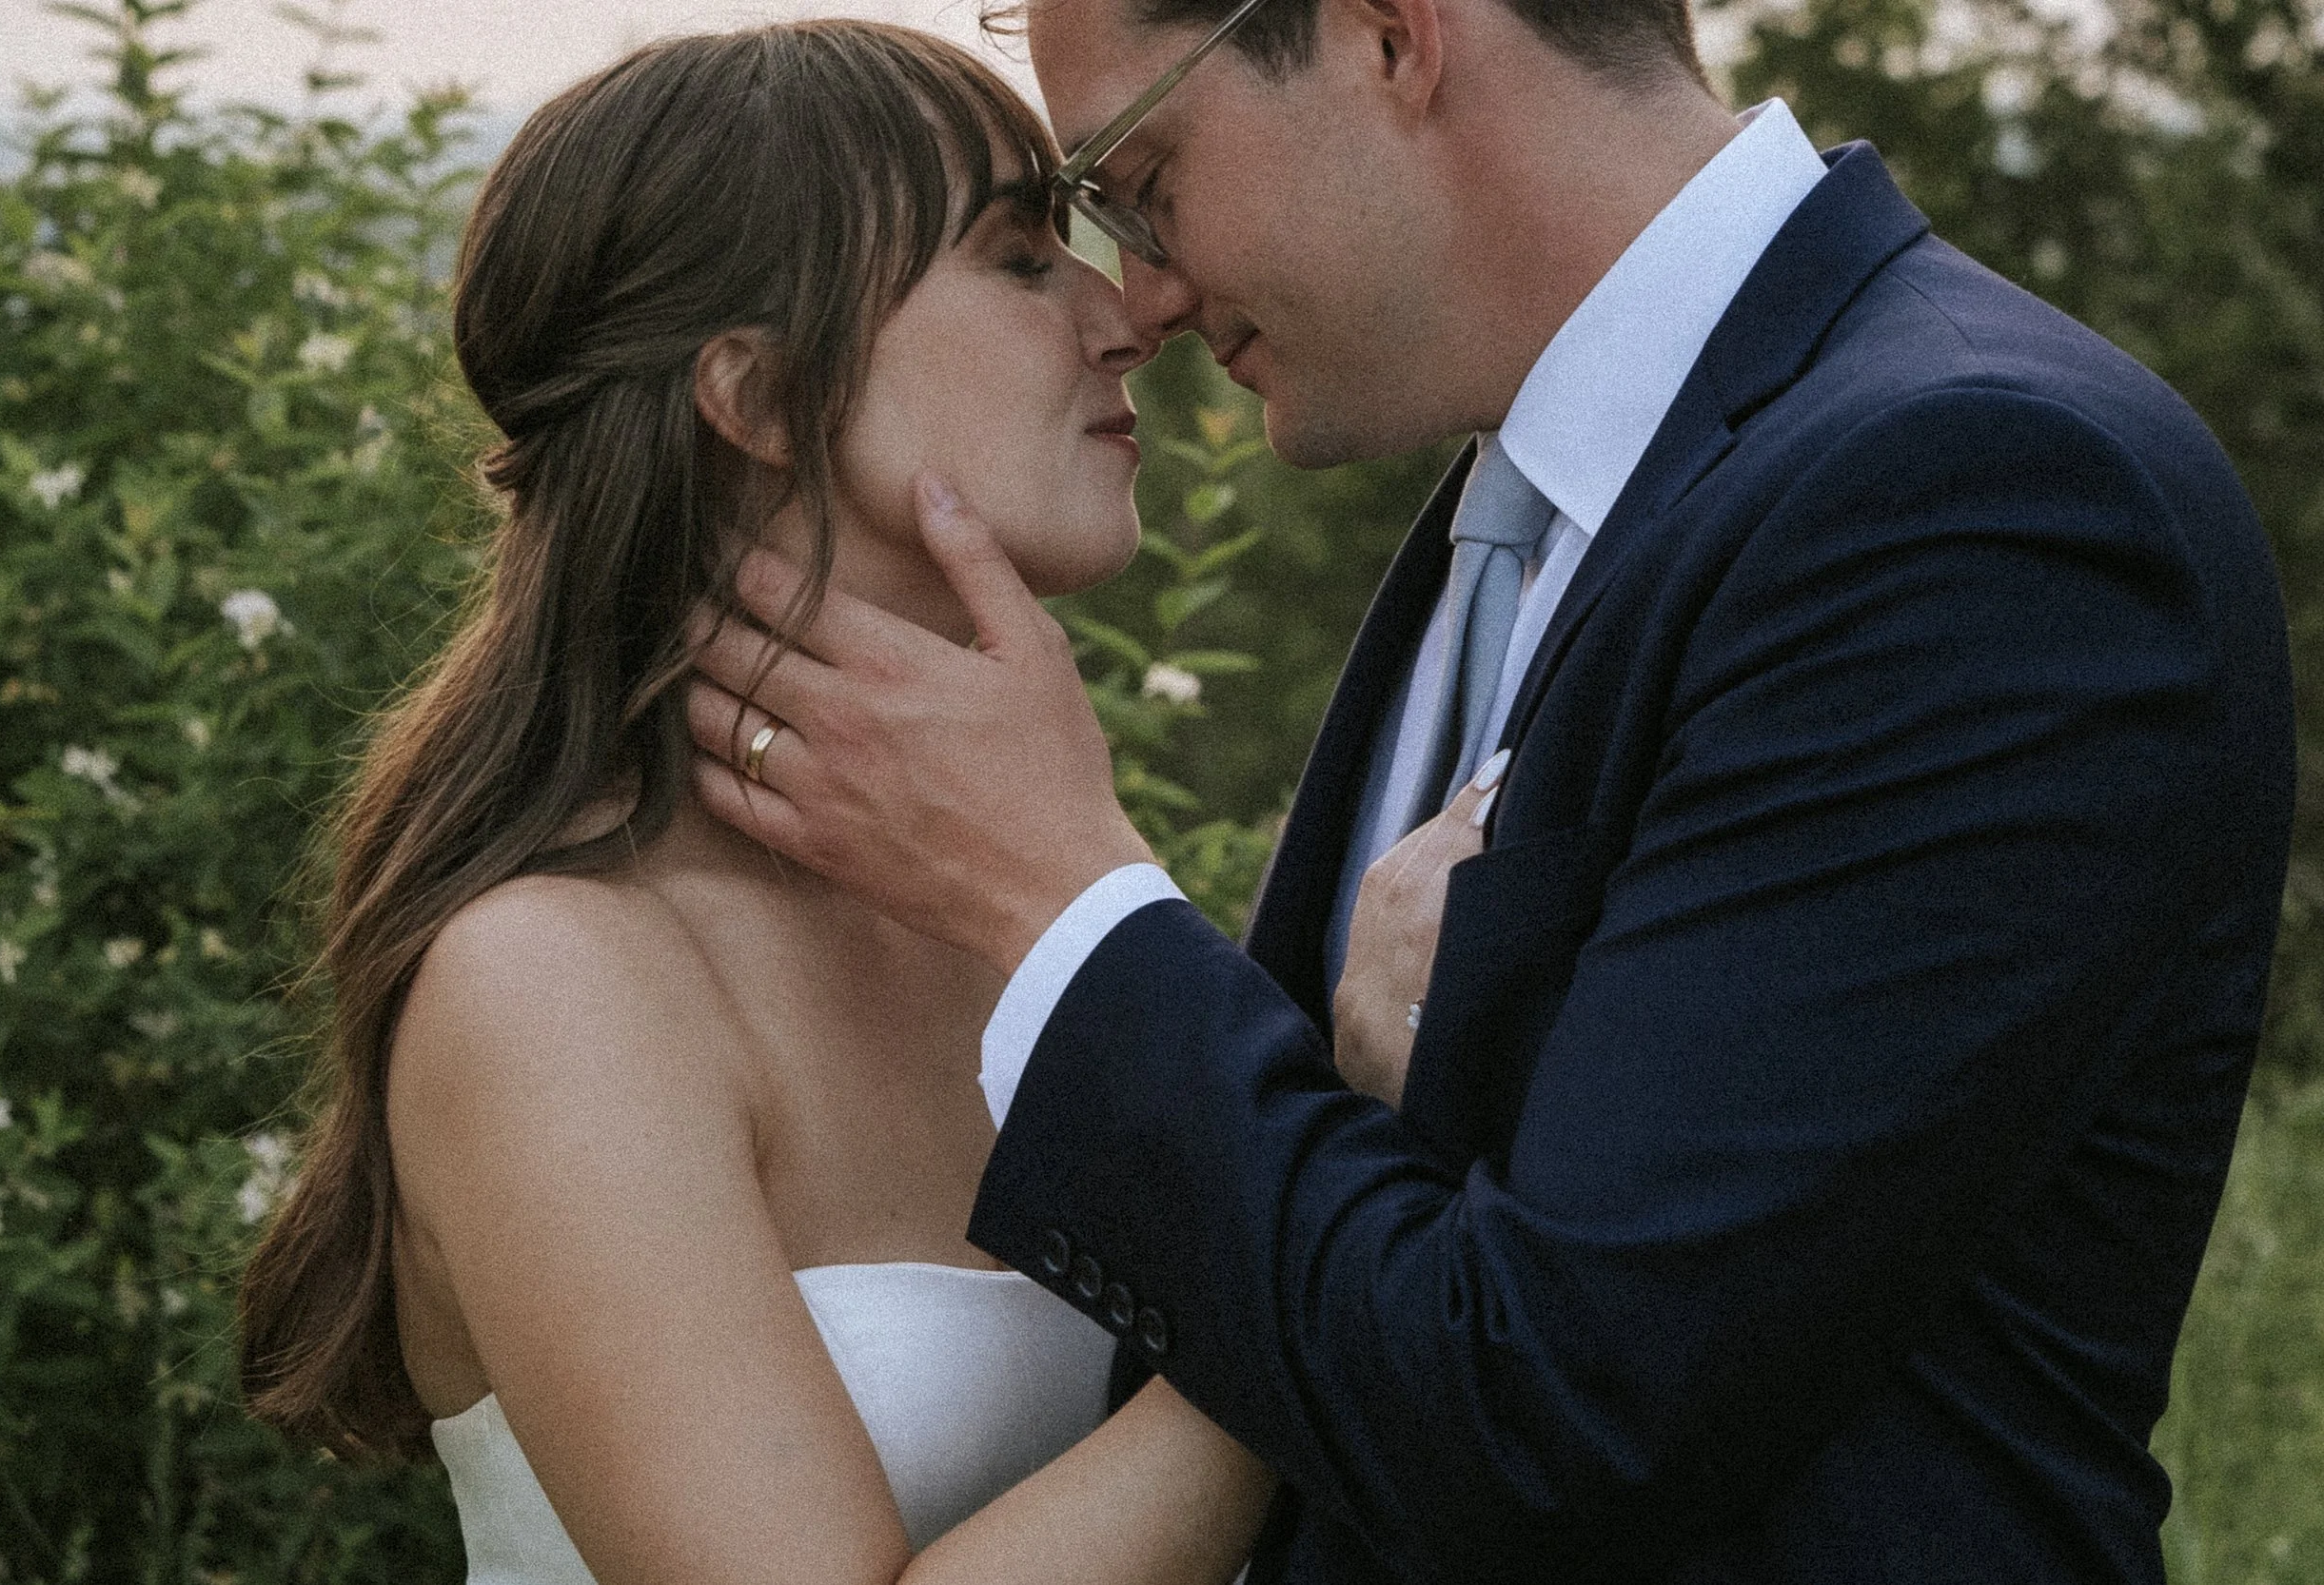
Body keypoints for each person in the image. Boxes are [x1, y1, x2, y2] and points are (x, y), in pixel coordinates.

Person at [680, 0, 2298, 1578]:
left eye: (1141, 181)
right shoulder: (1535, 504)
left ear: (1390, 36)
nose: (1147, 294)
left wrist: (1063, 897)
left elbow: (1560, 1415)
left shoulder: (1971, 502)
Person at [235, 24, 1281, 1583]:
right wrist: (1321, 1314)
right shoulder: (554, 980)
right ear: (761, 396)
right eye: (1013, 256)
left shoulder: (1039, 917)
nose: (1121, 315)